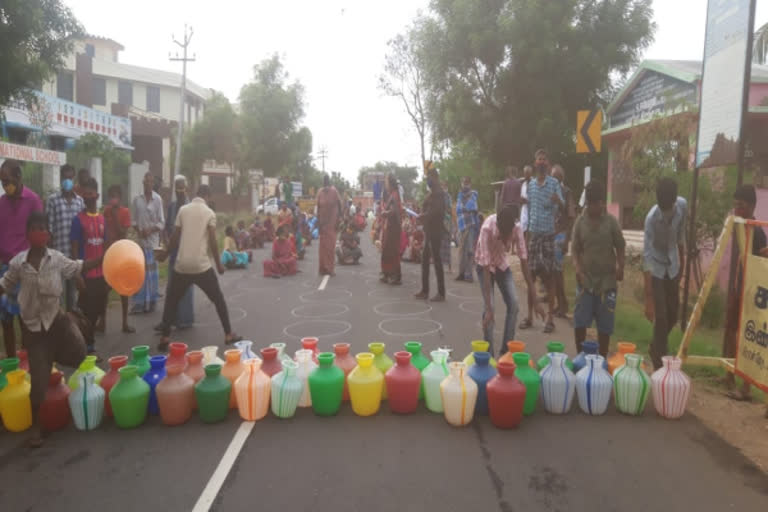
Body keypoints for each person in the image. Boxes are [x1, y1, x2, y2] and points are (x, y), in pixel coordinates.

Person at [0, 211, 100, 447]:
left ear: (49, 233)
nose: (40, 231)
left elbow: (80, 267)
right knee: (39, 384)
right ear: (27, 233)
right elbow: (5, 284)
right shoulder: (18, 264)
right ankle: (37, 428)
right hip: (34, 330)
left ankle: (68, 334)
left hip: (58, 322)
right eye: (35, 227)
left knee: (79, 354)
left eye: (43, 227)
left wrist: (105, 257)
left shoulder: (56, 259)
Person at [158, 185, 242, 351]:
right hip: (201, 265)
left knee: (171, 300)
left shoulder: (183, 210)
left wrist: (165, 255)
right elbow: (212, 241)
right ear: (208, 196)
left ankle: (165, 337)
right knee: (218, 299)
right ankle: (228, 334)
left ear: (196, 194)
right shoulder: (209, 213)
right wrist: (218, 265)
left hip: (182, 265)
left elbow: (175, 238)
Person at [475, 204, 542, 356]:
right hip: (483, 265)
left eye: (508, 236)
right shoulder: (486, 230)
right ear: (498, 227)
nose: (506, 241)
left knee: (514, 304)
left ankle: (506, 353)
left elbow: (524, 263)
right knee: (489, 309)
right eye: (502, 236)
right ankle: (489, 357)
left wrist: (535, 298)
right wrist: (489, 308)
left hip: (501, 265)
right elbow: (486, 271)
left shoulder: (516, 228)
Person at [724, 185, 768, 405]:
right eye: (735, 204)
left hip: (751, 291)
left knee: (747, 335)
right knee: (732, 328)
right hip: (739, 285)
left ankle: (746, 386)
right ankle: (730, 374)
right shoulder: (739, 225)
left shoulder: (757, 231)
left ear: (751, 206)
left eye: (740, 205)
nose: (736, 208)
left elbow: (762, 256)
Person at [571, 181, 626, 358]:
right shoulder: (580, 222)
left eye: (597, 203)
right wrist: (578, 268)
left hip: (607, 283)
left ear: (602, 203)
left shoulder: (611, 223)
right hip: (585, 281)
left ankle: (601, 360)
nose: (594, 207)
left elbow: (620, 246)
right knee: (580, 322)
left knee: (605, 327)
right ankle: (580, 358)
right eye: (591, 203)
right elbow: (575, 250)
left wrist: (620, 265)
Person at [0, 159, 43, 357]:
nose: (5, 185)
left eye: (7, 180)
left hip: (26, 269)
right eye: (2, 182)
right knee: (6, 319)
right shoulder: (1, 204)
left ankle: (27, 362)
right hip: (5, 269)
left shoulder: (33, 201)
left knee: (26, 320)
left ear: (19, 177)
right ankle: (10, 363)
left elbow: (40, 237)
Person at [643, 177, 687, 370]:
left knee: (673, 316)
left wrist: (683, 262)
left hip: (673, 265)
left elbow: (681, 234)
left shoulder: (682, 206)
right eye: (663, 207)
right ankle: (659, 363)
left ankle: (655, 346)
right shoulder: (651, 219)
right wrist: (648, 299)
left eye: (668, 207)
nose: (666, 211)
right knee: (661, 317)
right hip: (657, 267)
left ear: (674, 201)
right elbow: (646, 258)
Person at [523, 149, 563, 333]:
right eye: (539, 159)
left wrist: (558, 201)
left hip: (548, 236)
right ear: (534, 162)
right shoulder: (530, 185)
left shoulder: (554, 184)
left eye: (544, 160)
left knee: (549, 277)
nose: (541, 162)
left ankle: (550, 319)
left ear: (548, 164)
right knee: (530, 276)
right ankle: (530, 316)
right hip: (534, 236)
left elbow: (562, 205)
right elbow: (530, 209)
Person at [69, 178, 108, 355]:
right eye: (85, 195)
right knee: (87, 313)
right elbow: (74, 248)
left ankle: (83, 343)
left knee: (98, 310)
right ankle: (87, 348)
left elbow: (106, 246)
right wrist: (77, 275)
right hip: (86, 275)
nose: (87, 197)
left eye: (90, 194)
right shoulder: (78, 220)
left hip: (101, 275)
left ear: (97, 195)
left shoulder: (102, 219)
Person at [155, 175, 194, 333]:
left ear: (186, 189)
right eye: (177, 188)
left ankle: (184, 320)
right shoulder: (171, 207)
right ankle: (169, 320)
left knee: (185, 287)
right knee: (171, 287)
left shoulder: (190, 208)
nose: (179, 192)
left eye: (182, 188)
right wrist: (165, 240)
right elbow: (167, 228)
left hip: (186, 251)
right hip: (173, 251)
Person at [46, 164, 84, 312]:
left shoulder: (79, 201)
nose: (67, 180)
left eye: (70, 177)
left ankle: (72, 327)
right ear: (61, 178)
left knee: (72, 296)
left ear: (73, 179)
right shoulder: (53, 200)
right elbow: (49, 229)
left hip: (74, 257)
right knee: (58, 296)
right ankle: (60, 328)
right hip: (58, 255)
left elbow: (82, 229)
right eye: (65, 177)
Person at [130, 172, 164, 314]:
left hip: (153, 242)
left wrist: (151, 230)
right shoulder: (137, 200)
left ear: (153, 184)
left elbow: (162, 222)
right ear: (143, 183)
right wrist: (139, 230)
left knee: (152, 274)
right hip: (141, 243)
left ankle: (151, 302)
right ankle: (139, 303)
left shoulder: (158, 199)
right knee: (140, 272)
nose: (149, 184)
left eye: (151, 182)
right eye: (146, 182)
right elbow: (133, 221)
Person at [103, 184, 134, 333]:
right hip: (108, 254)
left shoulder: (125, 212)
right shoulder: (106, 211)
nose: (113, 199)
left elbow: (123, 233)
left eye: (115, 196)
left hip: (121, 254)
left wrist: (115, 216)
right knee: (105, 288)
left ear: (120, 198)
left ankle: (125, 322)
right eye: (111, 196)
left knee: (123, 290)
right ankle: (102, 321)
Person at [415, 167, 447, 302]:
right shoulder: (432, 192)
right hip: (429, 230)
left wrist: (424, 215)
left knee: (437, 260)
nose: (427, 180)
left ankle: (441, 292)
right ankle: (425, 290)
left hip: (435, 230)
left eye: (429, 177)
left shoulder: (439, 193)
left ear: (435, 178)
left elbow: (437, 212)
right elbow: (429, 208)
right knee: (425, 260)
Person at [552, 164, 576, 318]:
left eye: (556, 176)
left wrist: (567, 240)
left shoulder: (567, 192)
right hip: (550, 234)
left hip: (561, 235)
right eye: (553, 176)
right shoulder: (549, 190)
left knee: (558, 272)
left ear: (562, 178)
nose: (554, 178)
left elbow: (571, 216)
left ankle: (563, 304)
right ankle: (559, 303)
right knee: (553, 273)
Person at [315, 174, 342, 276]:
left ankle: (330, 269)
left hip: (332, 223)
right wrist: (318, 222)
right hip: (322, 224)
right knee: (322, 248)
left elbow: (339, 205)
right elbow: (317, 207)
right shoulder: (320, 192)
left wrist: (338, 220)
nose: (325, 184)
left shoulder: (334, 191)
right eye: (324, 182)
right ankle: (322, 269)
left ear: (329, 182)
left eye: (327, 181)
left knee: (330, 248)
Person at [456, 176, 479, 283]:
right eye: (463, 182)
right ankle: (461, 273)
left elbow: (473, 208)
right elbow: (458, 209)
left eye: (466, 182)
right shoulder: (459, 195)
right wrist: (466, 210)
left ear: (470, 184)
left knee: (469, 251)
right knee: (461, 251)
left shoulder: (473, 195)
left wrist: (465, 210)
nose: (465, 184)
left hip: (470, 225)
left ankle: (469, 275)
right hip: (461, 225)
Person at [380, 173, 402, 284]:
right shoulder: (391, 194)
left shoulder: (395, 195)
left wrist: (385, 213)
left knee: (392, 252)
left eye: (386, 182)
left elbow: (394, 211)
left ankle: (395, 276)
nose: (386, 184)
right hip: (389, 227)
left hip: (393, 228)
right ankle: (387, 273)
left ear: (391, 183)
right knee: (386, 251)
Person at [441, 181, 454, 274]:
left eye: (444, 186)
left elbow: (449, 209)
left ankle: (448, 267)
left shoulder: (447, 197)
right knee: (443, 246)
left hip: (446, 222)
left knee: (446, 245)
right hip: (442, 222)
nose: (443, 188)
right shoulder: (441, 196)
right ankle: (444, 266)